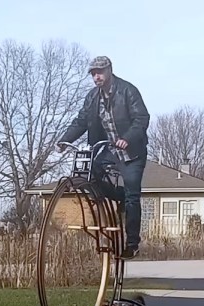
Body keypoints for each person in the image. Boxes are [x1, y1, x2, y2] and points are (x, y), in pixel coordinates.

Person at [58, 55, 150, 259]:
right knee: (90, 176)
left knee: (133, 195)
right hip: (108, 150)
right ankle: (119, 198)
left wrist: (127, 138)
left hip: (132, 152)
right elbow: (81, 121)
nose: (96, 77)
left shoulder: (128, 91)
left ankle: (132, 244)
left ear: (109, 70)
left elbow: (142, 118)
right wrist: (65, 140)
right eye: (93, 73)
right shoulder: (92, 97)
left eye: (99, 72)